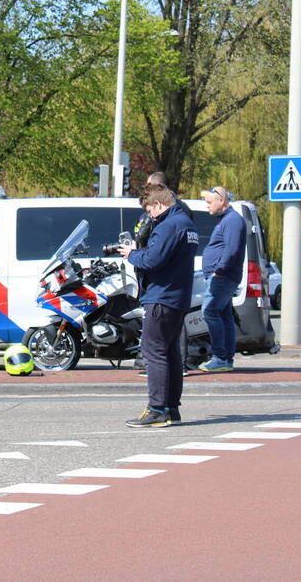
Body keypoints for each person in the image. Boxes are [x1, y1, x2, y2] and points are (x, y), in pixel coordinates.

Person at [119, 183, 199, 427]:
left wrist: (132, 254)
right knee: (171, 353)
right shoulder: (187, 224)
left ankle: (156, 410)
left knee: (154, 353)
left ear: (158, 204)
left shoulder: (168, 226)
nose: (149, 215)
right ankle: (171, 408)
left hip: (161, 296)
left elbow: (153, 260)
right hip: (178, 297)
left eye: (149, 210)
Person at [198, 185, 246, 373]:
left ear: (222, 201)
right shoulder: (228, 219)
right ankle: (225, 357)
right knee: (223, 315)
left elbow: (232, 250)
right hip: (222, 276)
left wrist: (219, 271)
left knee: (210, 311)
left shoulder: (232, 221)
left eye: (209, 202)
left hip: (222, 277)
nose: (206, 205)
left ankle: (220, 357)